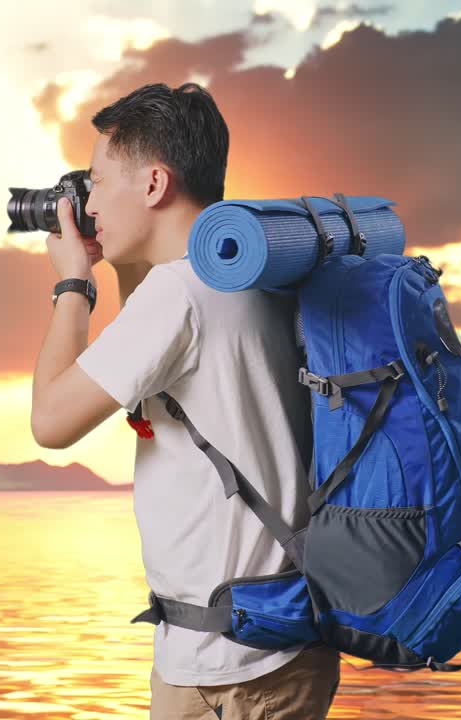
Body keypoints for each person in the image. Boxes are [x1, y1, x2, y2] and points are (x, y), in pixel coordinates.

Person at [30, 81, 340, 719]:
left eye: (95, 182)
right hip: (275, 641)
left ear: (152, 184)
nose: (88, 204)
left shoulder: (179, 295)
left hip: (230, 670)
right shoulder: (244, 269)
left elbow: (51, 423)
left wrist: (71, 282)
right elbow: (157, 367)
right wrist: (117, 268)